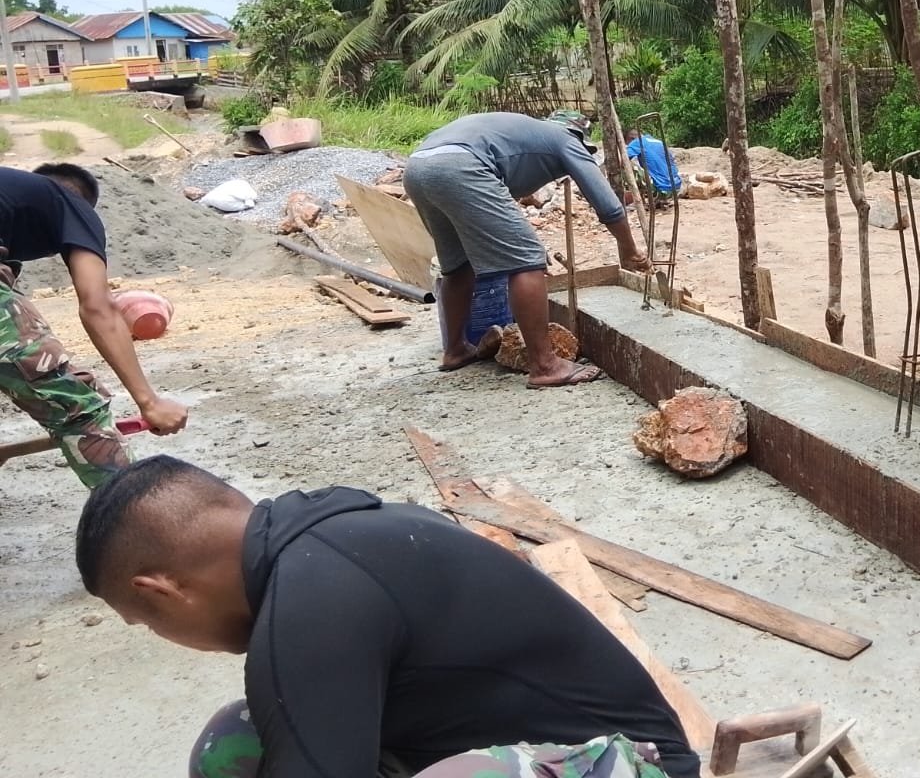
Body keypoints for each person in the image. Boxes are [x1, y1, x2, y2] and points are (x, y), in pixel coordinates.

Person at [75, 456, 697, 778]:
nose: (167, 636)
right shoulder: (313, 553)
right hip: (489, 744)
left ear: (162, 590)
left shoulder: (314, 598)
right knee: (233, 742)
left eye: (149, 623)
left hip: (630, 764)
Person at [403, 112, 649, 387]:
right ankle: (545, 366)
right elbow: (608, 204)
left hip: (417, 168)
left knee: (458, 265)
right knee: (528, 259)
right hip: (460, 167)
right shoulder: (566, 140)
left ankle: (455, 350)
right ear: (579, 136)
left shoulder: (525, 134)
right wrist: (629, 249)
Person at [0, 163, 188, 487]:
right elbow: (98, 307)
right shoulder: (70, 202)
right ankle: (134, 513)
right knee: (75, 406)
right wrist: (150, 402)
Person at [625, 128, 682, 200]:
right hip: (676, 188)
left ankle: (633, 196)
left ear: (631, 139)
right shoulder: (658, 142)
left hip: (661, 190)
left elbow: (623, 160)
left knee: (629, 166)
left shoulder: (637, 142)